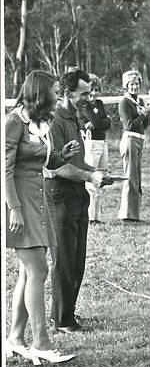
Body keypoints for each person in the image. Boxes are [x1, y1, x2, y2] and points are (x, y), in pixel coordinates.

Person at [5, 71, 93, 364]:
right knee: (39, 269)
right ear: (40, 94)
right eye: (55, 92)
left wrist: (62, 155)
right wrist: (14, 209)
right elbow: (4, 170)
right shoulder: (14, 122)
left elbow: (45, 161)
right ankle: (41, 343)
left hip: (37, 199)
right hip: (19, 203)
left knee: (28, 273)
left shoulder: (38, 124)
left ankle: (16, 338)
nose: (58, 97)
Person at [46, 69, 112, 333]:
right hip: (60, 193)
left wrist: (97, 174)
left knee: (77, 258)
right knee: (64, 258)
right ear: (67, 93)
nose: (88, 97)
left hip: (77, 194)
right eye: (83, 93)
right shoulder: (54, 121)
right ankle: (61, 320)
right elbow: (58, 166)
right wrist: (89, 175)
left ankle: (67, 313)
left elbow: (76, 161)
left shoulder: (74, 118)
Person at [118, 69, 150, 222]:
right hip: (130, 139)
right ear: (126, 86)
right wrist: (144, 114)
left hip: (139, 139)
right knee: (130, 177)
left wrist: (148, 113)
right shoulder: (125, 102)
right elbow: (129, 125)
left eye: (137, 84)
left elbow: (142, 125)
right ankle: (127, 214)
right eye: (131, 84)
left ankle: (134, 213)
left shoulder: (138, 101)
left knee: (137, 178)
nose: (134, 87)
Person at [77, 74, 111, 224]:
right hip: (91, 144)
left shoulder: (100, 103)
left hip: (102, 142)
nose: (94, 93)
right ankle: (90, 216)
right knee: (91, 179)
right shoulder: (83, 105)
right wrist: (101, 121)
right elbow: (97, 121)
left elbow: (106, 123)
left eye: (97, 89)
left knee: (103, 178)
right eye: (91, 90)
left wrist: (102, 121)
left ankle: (96, 216)